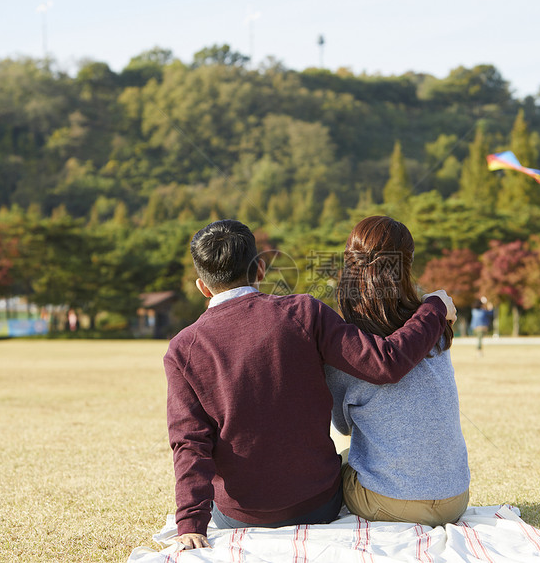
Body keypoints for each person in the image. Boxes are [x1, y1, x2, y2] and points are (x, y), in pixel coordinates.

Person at [164, 219, 457, 549]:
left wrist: (190, 522)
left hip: (239, 515)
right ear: (260, 269)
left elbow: (189, 443)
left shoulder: (182, 348)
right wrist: (433, 307)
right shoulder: (305, 312)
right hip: (318, 505)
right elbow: (385, 363)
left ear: (202, 286)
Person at [325, 216, 471, 527]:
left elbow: (344, 426)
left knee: (336, 464)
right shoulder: (433, 328)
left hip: (390, 504)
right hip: (456, 497)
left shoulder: (348, 344)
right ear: (407, 265)